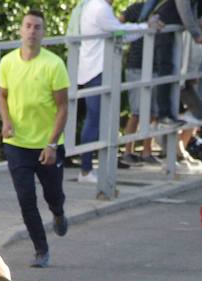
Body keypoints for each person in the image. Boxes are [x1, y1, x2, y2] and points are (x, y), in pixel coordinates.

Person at [0, 10, 69, 268]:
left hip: (47, 144)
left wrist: (52, 143)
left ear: (43, 32)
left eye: (37, 27)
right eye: (28, 26)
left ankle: (58, 213)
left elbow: (63, 106)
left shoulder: (54, 64)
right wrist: (6, 121)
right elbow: (2, 95)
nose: (31, 31)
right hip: (17, 144)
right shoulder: (7, 62)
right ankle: (41, 249)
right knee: (26, 198)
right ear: (20, 30)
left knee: (53, 194)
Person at [68, 0, 150, 184]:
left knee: (97, 120)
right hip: (97, 71)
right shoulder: (100, 7)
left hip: (94, 70)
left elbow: (119, 33)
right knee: (94, 120)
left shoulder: (94, 6)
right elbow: (119, 31)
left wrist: (141, 29)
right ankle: (86, 170)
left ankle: (92, 167)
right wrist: (146, 27)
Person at [120, 0, 160, 166]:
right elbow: (118, 23)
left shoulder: (164, 8)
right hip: (137, 65)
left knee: (153, 112)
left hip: (156, 65)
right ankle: (127, 151)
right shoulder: (136, 8)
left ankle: (146, 151)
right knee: (137, 111)